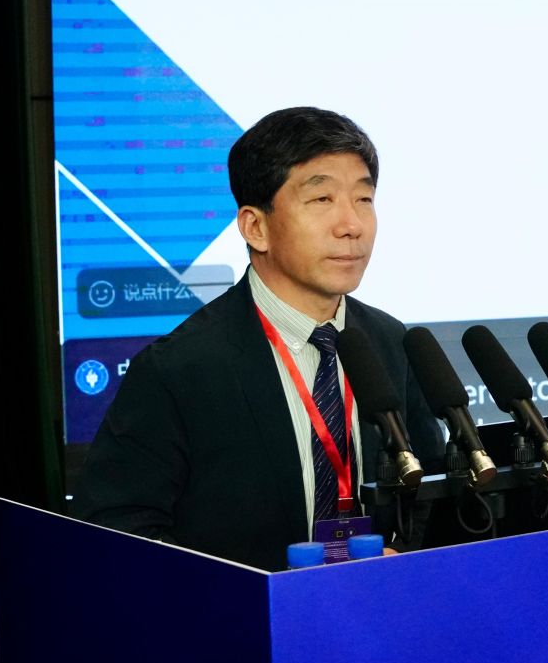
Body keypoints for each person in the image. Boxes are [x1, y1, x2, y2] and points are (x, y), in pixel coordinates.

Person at [74, 107, 443, 570]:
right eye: (322, 199)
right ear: (256, 227)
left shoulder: (391, 343)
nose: (352, 225)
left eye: (363, 198)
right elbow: (118, 529)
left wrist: (404, 564)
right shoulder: (179, 370)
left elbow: (433, 492)